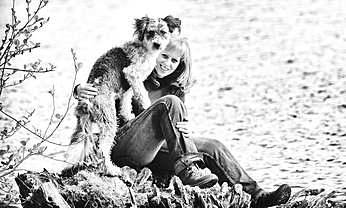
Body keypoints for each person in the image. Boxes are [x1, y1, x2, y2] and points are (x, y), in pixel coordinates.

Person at [73, 37, 291, 208]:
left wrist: (187, 128)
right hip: (122, 145)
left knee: (212, 146)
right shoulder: (135, 72)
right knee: (169, 104)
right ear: (155, 49)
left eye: (174, 60)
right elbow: (102, 80)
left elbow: (178, 125)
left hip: (155, 152)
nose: (167, 63)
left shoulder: (174, 89)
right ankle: (188, 171)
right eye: (165, 55)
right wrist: (78, 91)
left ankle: (258, 196)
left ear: (180, 65)